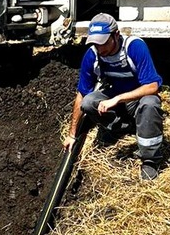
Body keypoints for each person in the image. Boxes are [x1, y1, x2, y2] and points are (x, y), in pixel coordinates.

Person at [63, 13, 164, 180]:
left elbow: (153, 86)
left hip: (138, 98)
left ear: (116, 35)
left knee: (150, 104)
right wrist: (72, 134)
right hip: (115, 95)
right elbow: (82, 94)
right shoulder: (93, 55)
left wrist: (118, 99)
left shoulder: (134, 47)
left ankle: (150, 159)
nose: (99, 48)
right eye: (95, 43)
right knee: (89, 102)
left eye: (103, 43)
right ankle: (121, 128)